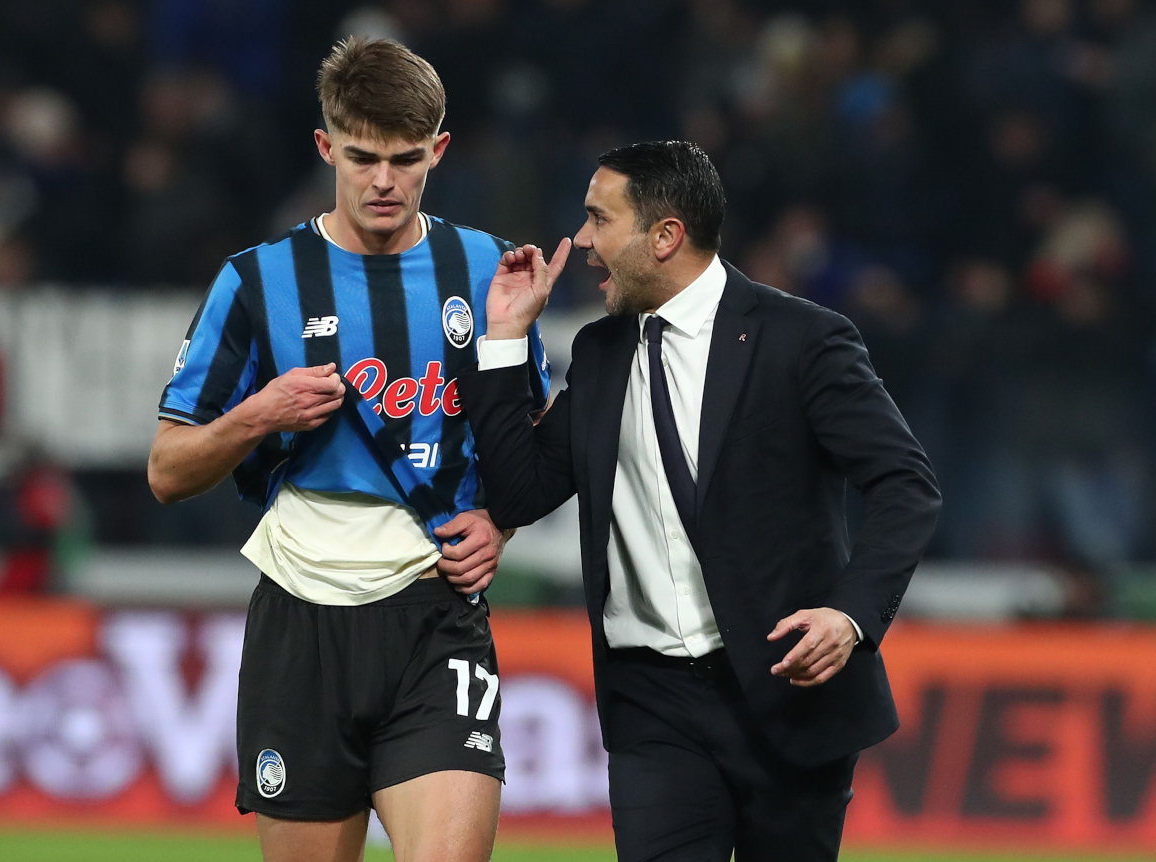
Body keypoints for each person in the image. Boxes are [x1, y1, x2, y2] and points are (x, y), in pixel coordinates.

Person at [459, 141, 942, 861]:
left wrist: (849, 615)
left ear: (665, 236)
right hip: (652, 704)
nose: (582, 241)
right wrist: (504, 337)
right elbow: (518, 492)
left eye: (599, 219)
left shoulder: (801, 340)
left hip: (783, 690)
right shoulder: (600, 352)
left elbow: (906, 484)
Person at [147, 38, 549, 862]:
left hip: (435, 615)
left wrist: (499, 524)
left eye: (406, 159)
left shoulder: (482, 267)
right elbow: (167, 471)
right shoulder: (256, 281)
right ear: (326, 147)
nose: (384, 181)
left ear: (439, 150)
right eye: (363, 157)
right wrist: (257, 414)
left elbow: (530, 437)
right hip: (302, 623)